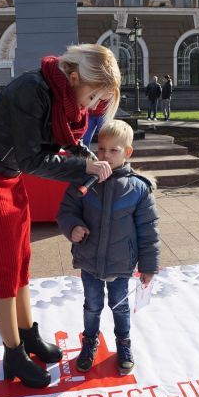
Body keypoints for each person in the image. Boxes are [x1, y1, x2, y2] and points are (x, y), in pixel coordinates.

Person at [0, 44, 121, 389]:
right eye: (92, 96)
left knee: (21, 260)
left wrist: (86, 156)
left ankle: (27, 335)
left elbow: (59, 139)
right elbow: (32, 159)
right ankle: (13, 353)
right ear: (74, 78)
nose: (90, 107)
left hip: (7, 175)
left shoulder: (60, 93)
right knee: (4, 266)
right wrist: (84, 167)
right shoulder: (32, 90)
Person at [57, 120, 160, 374]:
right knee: (92, 305)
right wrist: (73, 228)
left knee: (119, 305)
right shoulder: (84, 181)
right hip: (89, 259)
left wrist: (148, 266)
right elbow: (66, 211)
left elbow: (148, 230)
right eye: (101, 149)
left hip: (121, 263)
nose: (105, 155)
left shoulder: (138, 189)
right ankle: (89, 341)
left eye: (114, 150)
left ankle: (123, 343)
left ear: (127, 152)